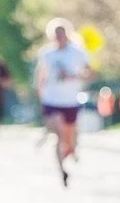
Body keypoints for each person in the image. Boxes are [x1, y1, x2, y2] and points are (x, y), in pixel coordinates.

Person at [35, 19, 92, 187]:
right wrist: (40, 94)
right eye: (56, 34)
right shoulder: (47, 54)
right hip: (51, 99)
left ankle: (70, 150)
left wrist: (74, 77)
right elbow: (41, 76)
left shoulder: (77, 52)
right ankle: (62, 171)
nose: (59, 37)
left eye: (62, 34)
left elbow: (90, 73)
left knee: (68, 140)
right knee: (58, 134)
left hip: (70, 100)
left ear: (67, 34)